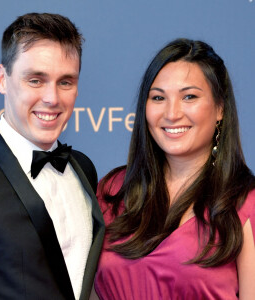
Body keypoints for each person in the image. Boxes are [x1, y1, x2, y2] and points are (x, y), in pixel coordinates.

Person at [0, 13, 104, 300]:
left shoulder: (84, 168)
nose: (52, 98)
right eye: (36, 80)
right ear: (2, 78)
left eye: (66, 82)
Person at [94, 38, 255, 299]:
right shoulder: (113, 190)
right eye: (158, 98)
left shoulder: (246, 203)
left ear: (220, 109)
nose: (171, 113)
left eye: (189, 96)